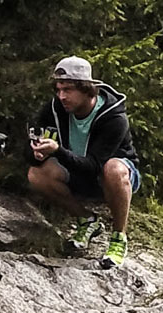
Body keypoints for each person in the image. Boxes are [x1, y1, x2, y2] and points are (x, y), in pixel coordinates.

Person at [26, 56, 141, 265]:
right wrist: (37, 153)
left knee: (113, 168)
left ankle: (118, 238)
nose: (61, 96)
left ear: (86, 88)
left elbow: (94, 166)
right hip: (77, 171)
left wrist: (58, 151)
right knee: (36, 174)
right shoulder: (55, 108)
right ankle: (86, 220)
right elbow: (31, 146)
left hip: (110, 175)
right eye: (58, 89)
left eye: (68, 90)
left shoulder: (114, 118)